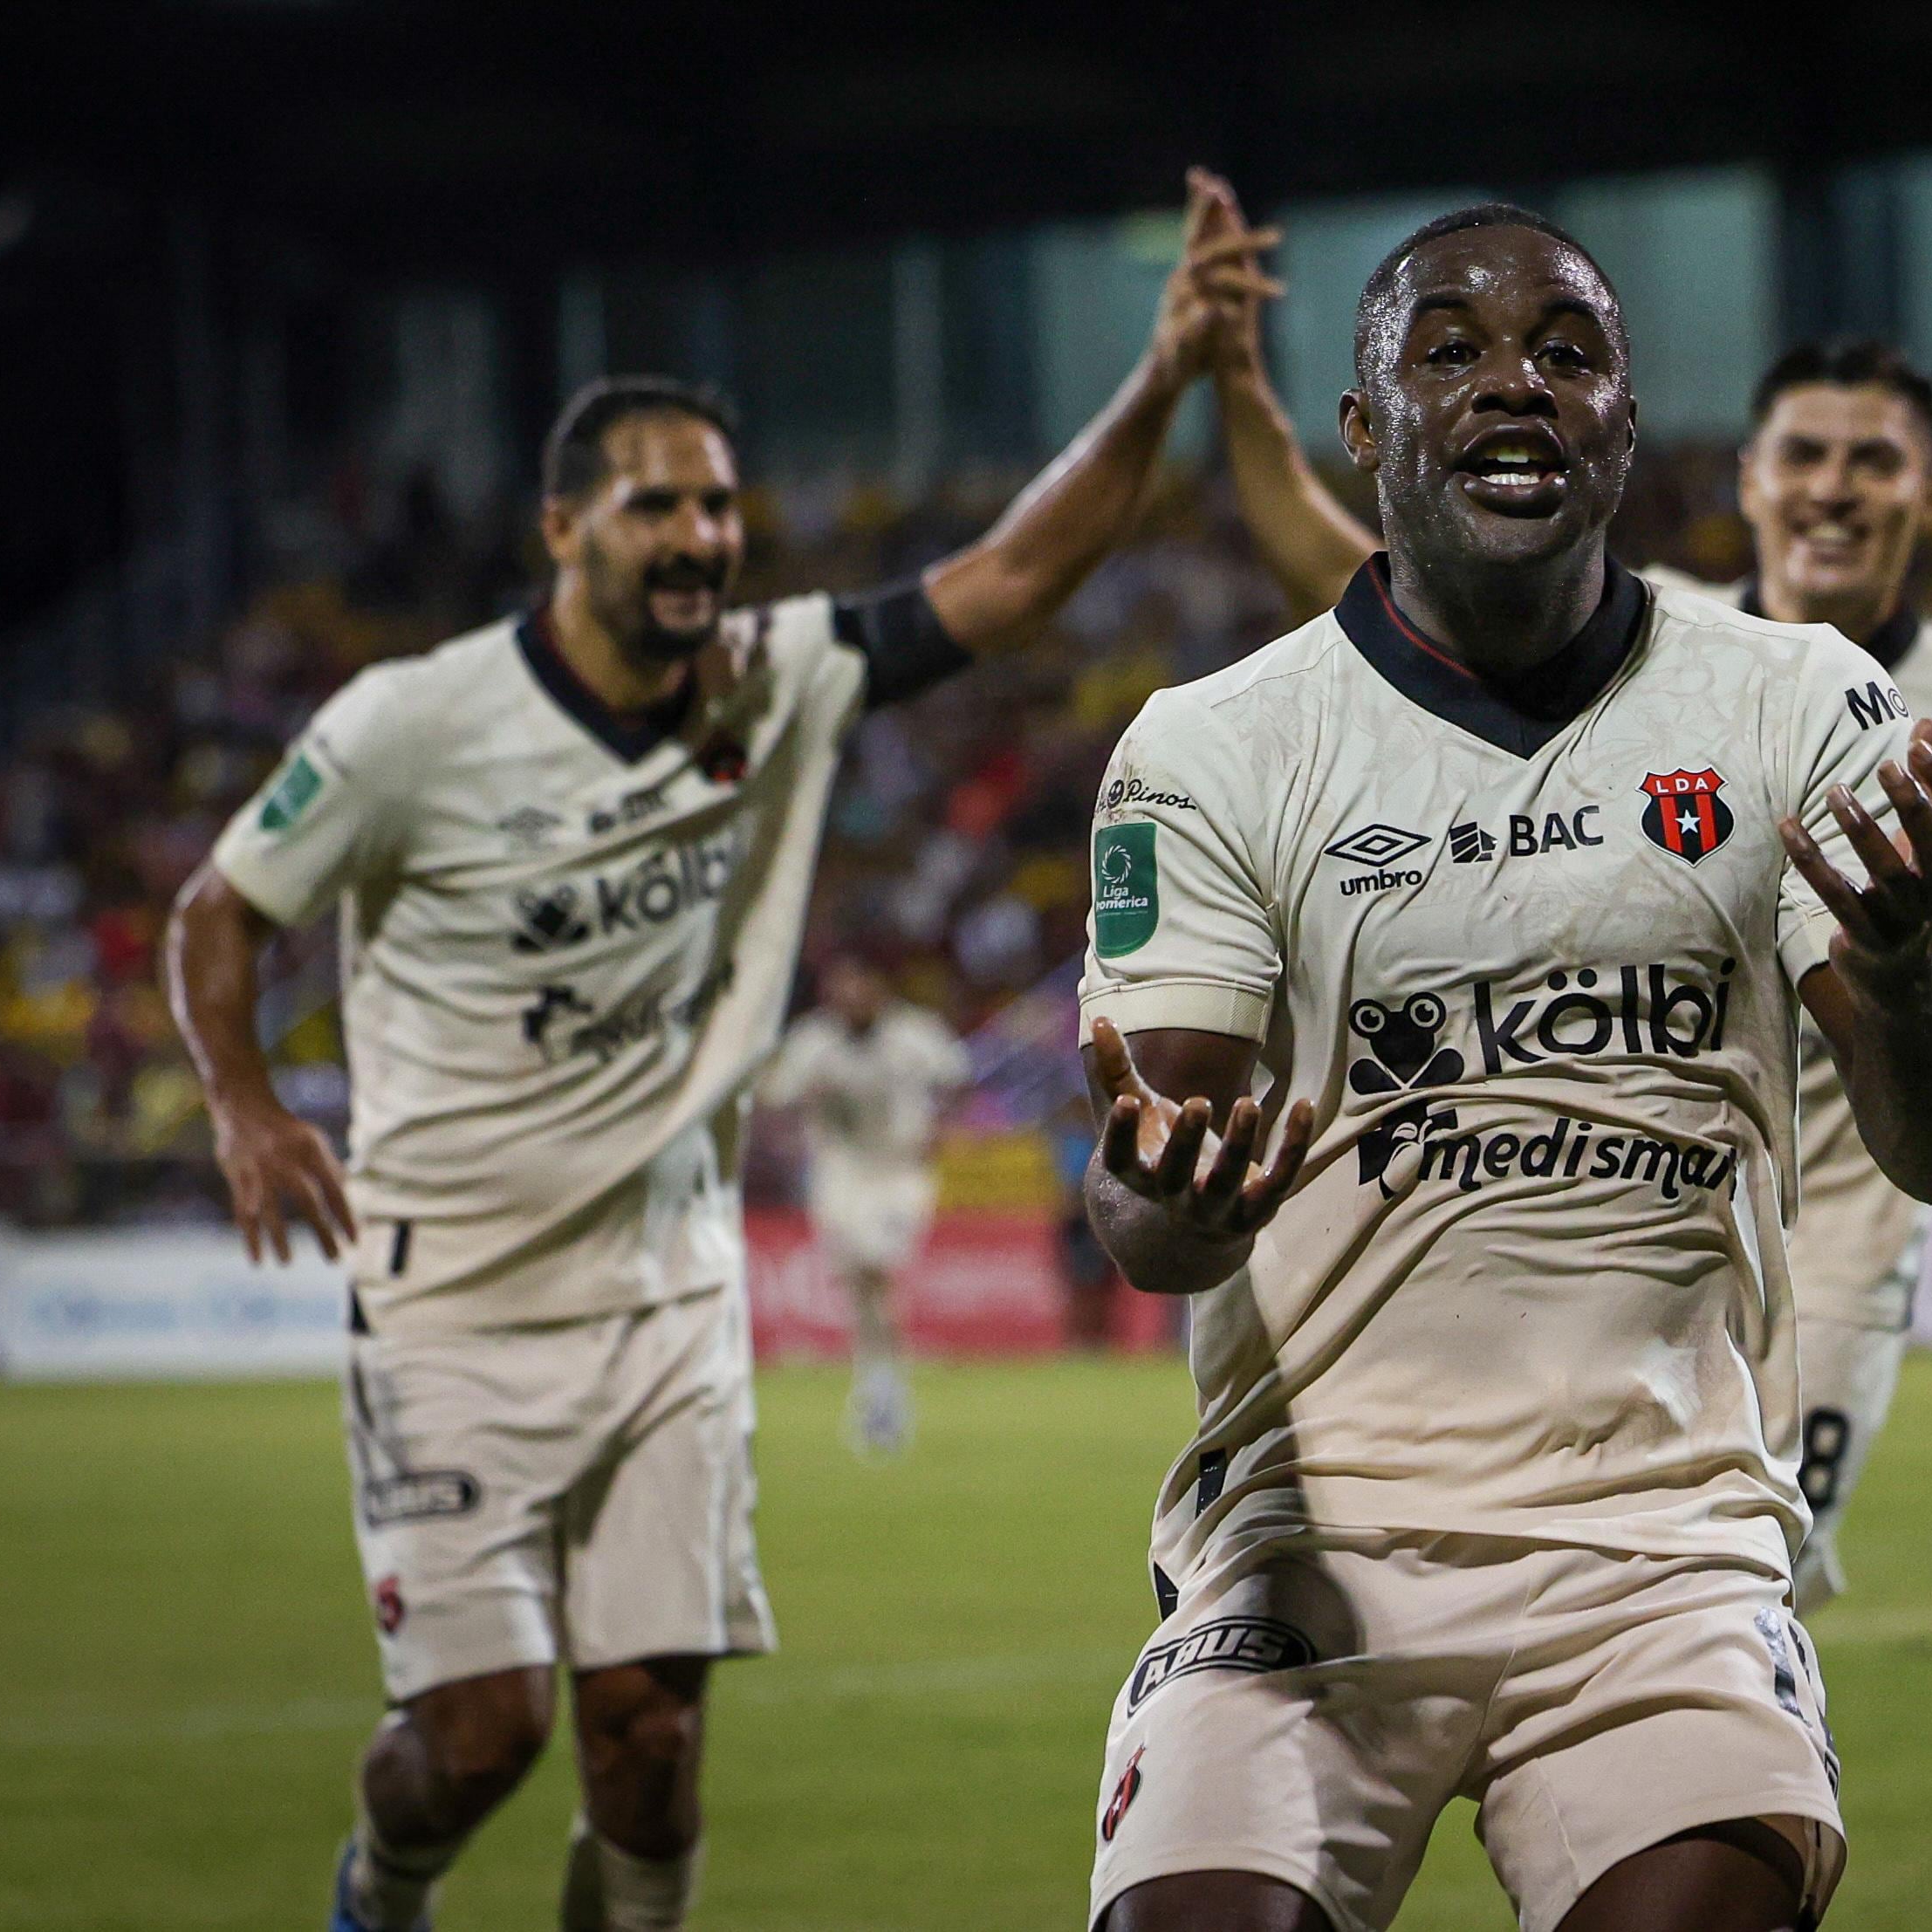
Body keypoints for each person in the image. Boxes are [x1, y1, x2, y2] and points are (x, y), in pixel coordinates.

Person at [164, 178, 1276, 1932]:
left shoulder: (779, 676)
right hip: (445, 1292)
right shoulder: (409, 727)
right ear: (560, 527)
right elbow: (217, 916)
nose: (697, 538)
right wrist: (239, 1103)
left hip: (665, 1291)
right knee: (474, 1737)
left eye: (715, 508)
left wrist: (1157, 382)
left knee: (651, 1740)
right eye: (652, 507)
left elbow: (1016, 572)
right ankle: (382, 1889)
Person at [1077, 202, 1932, 1932]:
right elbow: (1151, 1214)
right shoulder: (1213, 747)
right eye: (1451, 351)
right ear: (1363, 431)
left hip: (1657, 1550)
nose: (1515, 384)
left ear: (1625, 427)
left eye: (1566, 353)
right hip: (1309, 1541)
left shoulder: (1799, 703)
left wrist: (1900, 977)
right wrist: (1163, 1194)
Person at [1182, 177, 1932, 1609]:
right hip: (1632, 1180)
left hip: (1853, 1197)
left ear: (1928, 489)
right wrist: (1238, 380)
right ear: (1744, 474)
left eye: (1875, 461)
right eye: (1803, 453)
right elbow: (1345, 559)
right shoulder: (1640, 646)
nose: (1833, 487)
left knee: (1746, 1571)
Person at [760, 951, 970, 1455]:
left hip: (900, 1171)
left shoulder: (915, 1034)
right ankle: (877, 1381)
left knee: (879, 1268)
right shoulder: (814, 1043)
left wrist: (941, 1129)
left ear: (879, 991)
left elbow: (956, 1080)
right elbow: (776, 1098)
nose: (851, 1000)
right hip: (842, 1172)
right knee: (858, 1284)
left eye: (860, 988)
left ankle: (882, 1388)